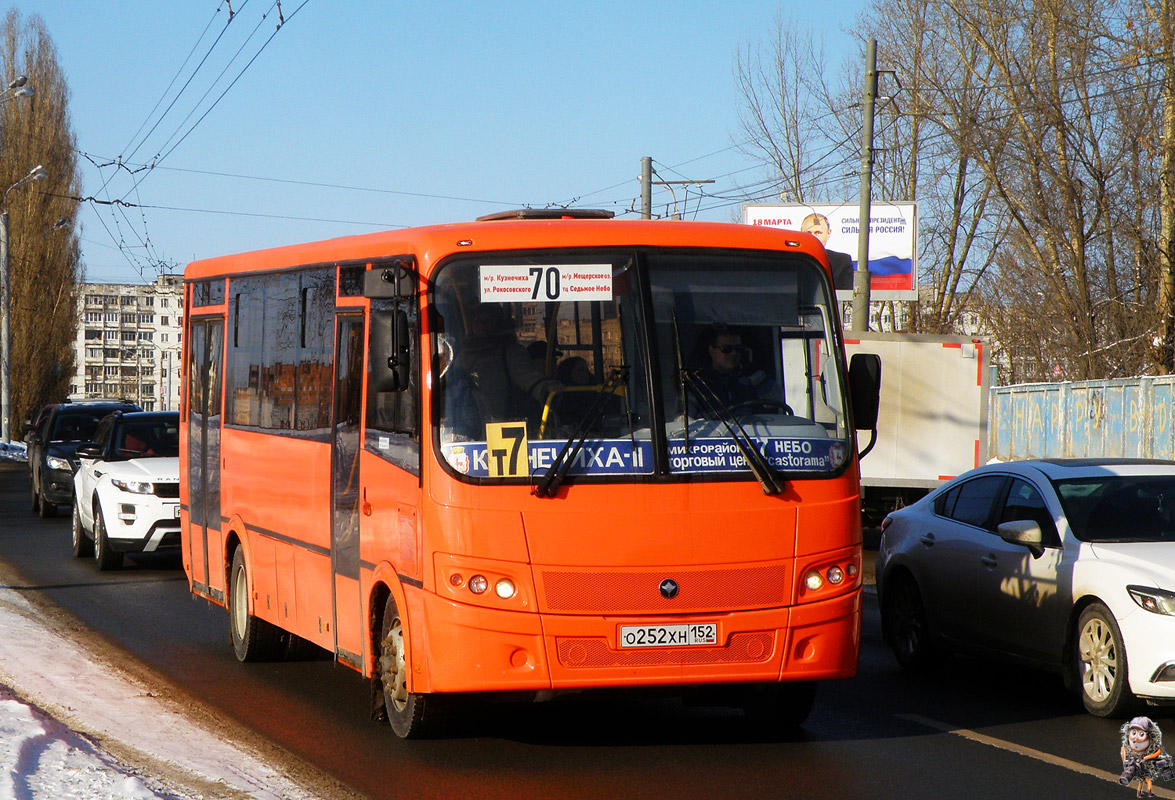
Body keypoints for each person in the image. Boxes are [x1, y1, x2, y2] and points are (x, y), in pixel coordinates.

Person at [447, 305, 562, 435]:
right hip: (466, 426)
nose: (481, 325)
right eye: (477, 321)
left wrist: (546, 388)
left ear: (498, 323)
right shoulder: (463, 353)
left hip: (501, 426)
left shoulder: (509, 351)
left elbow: (526, 376)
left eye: (487, 321)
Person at [691, 328, 784, 411]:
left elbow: (777, 400)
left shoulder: (751, 380)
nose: (734, 353)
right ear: (712, 351)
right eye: (727, 349)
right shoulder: (697, 384)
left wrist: (751, 371)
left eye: (738, 349)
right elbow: (685, 418)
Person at [800, 212, 854, 290]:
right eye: (808, 233)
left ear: (828, 233)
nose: (813, 237)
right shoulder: (791, 260)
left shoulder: (842, 262)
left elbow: (847, 295)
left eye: (818, 233)